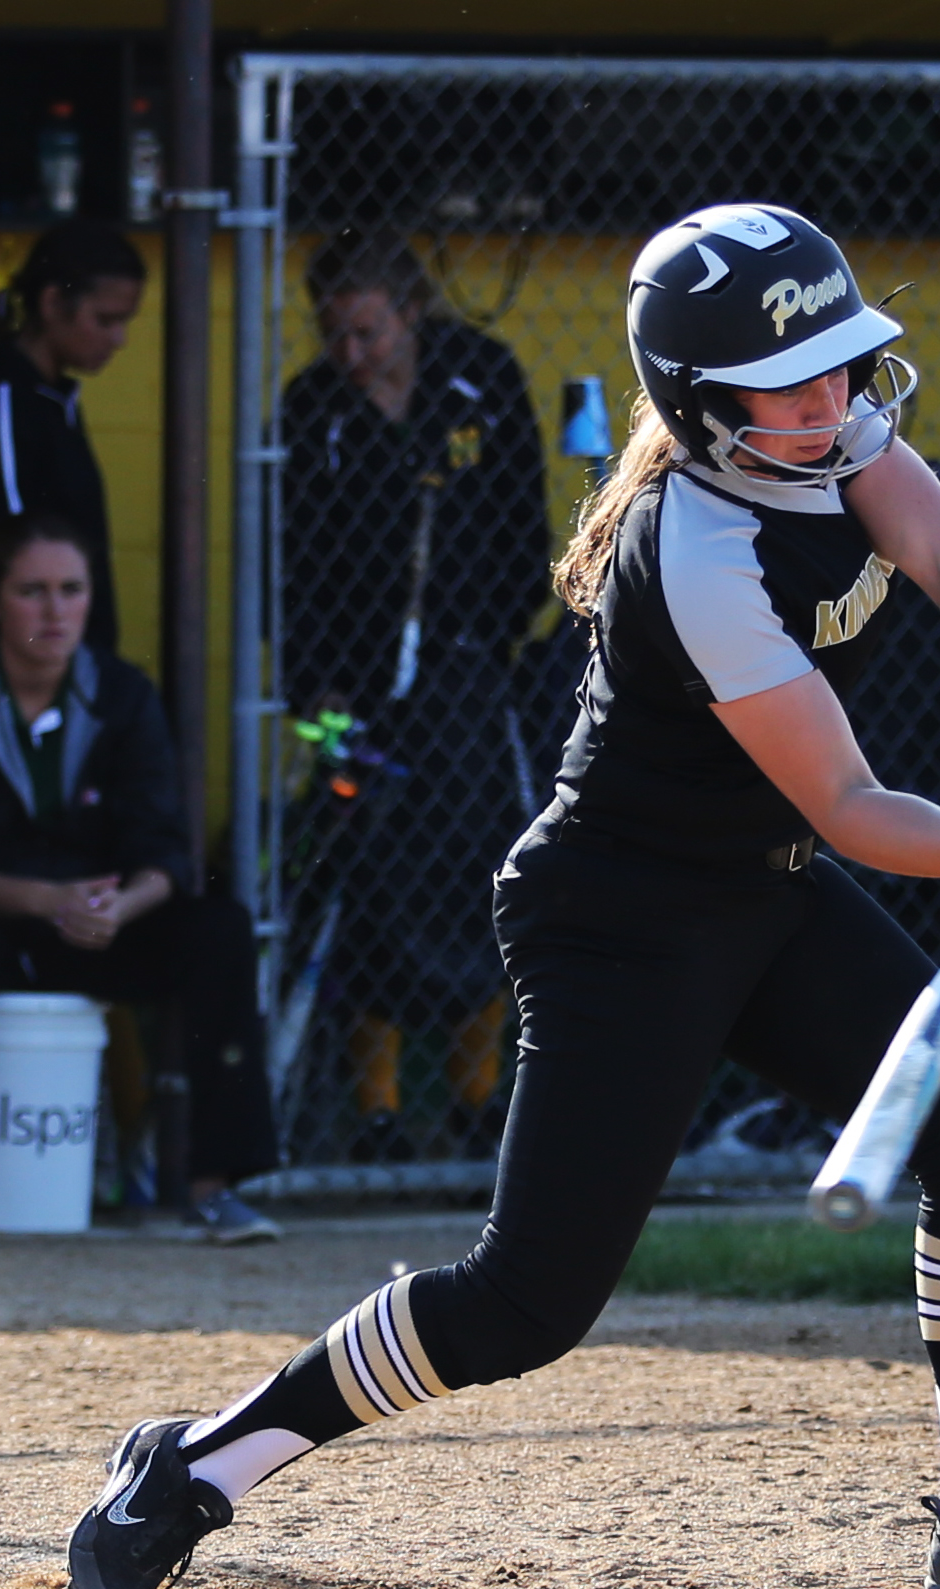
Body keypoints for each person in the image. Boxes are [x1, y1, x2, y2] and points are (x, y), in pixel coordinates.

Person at [65, 203, 940, 1589]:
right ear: (702, 407)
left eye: (843, 366)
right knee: (526, 1303)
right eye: (793, 380)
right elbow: (850, 805)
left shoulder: (842, 438)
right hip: (618, 914)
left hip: (761, 887)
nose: (833, 400)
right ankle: (192, 1469)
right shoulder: (697, 550)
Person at [0, 513, 280, 1249]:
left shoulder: (121, 694)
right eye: (31, 591)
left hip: (96, 923)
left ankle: (214, 1189)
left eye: (71, 590)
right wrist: (43, 900)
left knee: (219, 927)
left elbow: (166, 848)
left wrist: (121, 903)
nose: (54, 610)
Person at [280, 229, 549, 1160]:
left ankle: (480, 1105)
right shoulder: (312, 408)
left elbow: (526, 524)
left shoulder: (481, 377)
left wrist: (490, 639)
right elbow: (298, 561)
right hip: (356, 686)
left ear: (410, 314)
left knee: (485, 867)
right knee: (369, 879)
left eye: (367, 333)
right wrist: (318, 700)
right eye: (334, 336)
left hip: (470, 676)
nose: (350, 356)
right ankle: (380, 1115)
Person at [0, 218, 146, 652]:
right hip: (17, 685)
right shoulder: (1, 404)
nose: (119, 339)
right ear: (53, 303)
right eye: (106, 320)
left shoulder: (52, 399)